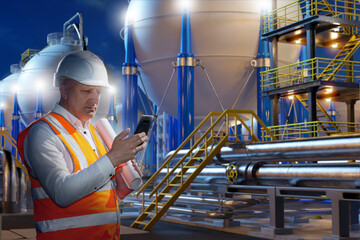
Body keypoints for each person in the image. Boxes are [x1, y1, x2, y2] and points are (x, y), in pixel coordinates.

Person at [17, 50, 148, 240]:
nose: (94, 100)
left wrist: (121, 188)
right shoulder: (42, 133)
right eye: (87, 91)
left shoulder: (93, 133)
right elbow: (62, 193)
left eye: (98, 92)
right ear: (64, 90)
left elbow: (92, 197)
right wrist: (112, 159)